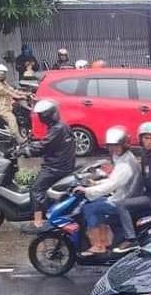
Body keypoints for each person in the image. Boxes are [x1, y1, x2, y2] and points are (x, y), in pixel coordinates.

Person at [77, 126, 144, 254]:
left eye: (117, 146)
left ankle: (98, 245)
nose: (114, 148)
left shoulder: (125, 164)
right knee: (96, 204)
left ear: (124, 145)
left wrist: (88, 191)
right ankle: (104, 241)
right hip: (121, 196)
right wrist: (95, 183)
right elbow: (114, 180)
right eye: (111, 146)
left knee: (89, 208)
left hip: (124, 201)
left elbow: (112, 185)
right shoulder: (123, 157)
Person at [21, 100, 76, 231]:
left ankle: (38, 223)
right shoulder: (62, 126)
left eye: (41, 115)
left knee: (36, 189)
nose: (40, 118)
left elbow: (44, 145)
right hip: (63, 164)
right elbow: (47, 143)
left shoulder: (57, 129)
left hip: (56, 167)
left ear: (47, 115)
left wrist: (26, 151)